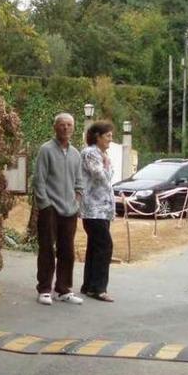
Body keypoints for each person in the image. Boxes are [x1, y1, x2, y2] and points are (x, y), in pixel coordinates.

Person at [33, 113, 84, 306]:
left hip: (70, 209)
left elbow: (79, 182)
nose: (66, 128)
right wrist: (45, 205)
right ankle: (45, 289)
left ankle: (64, 289)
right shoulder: (46, 150)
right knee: (47, 248)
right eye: (62, 125)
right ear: (55, 127)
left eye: (69, 125)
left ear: (73, 128)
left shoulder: (76, 154)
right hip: (50, 208)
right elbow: (39, 180)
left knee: (67, 251)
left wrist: (77, 202)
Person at [79, 121, 116, 302]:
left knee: (95, 246)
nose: (110, 139)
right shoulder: (91, 153)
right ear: (97, 136)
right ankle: (99, 288)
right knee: (105, 246)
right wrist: (107, 165)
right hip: (94, 209)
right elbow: (101, 177)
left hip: (102, 209)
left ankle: (89, 286)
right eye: (107, 135)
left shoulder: (101, 154)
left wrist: (106, 162)